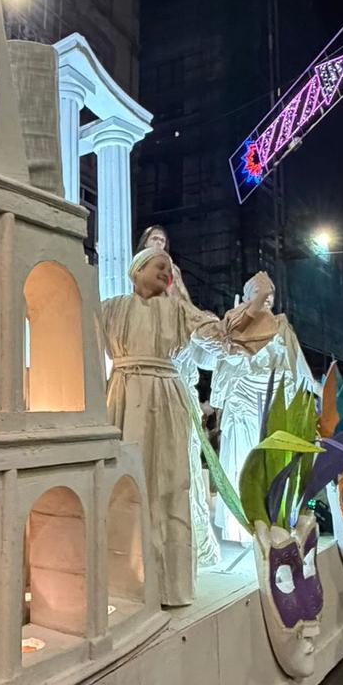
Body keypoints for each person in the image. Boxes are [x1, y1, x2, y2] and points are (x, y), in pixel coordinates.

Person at [100, 247, 268, 606]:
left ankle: (168, 584)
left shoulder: (178, 309)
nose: (166, 274)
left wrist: (256, 304)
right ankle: (122, 581)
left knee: (168, 481)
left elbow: (217, 332)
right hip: (123, 393)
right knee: (122, 481)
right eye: (159, 266)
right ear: (137, 269)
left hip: (165, 393)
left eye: (170, 270)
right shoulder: (111, 307)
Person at [207, 269, 317, 544]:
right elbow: (222, 362)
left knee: (274, 458)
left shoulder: (281, 326)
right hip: (243, 399)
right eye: (259, 295)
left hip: (273, 400)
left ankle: (275, 520)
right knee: (243, 458)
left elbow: (296, 365)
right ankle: (243, 523)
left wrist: (309, 395)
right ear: (247, 298)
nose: (266, 300)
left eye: (270, 296)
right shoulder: (234, 324)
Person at [134, 224, 219, 568]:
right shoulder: (132, 309)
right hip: (145, 393)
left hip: (179, 394)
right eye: (154, 241)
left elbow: (205, 346)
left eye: (164, 243)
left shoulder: (182, 313)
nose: (161, 247)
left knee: (181, 466)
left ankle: (184, 544)